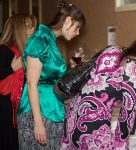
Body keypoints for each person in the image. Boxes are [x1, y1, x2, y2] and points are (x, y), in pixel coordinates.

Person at [60, 28, 136, 149]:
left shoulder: (112, 49)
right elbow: (125, 120)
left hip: (71, 120)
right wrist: (122, 146)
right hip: (91, 128)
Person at [16, 1, 86, 149]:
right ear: (68, 21)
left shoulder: (52, 41)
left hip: (53, 109)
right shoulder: (40, 40)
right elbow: (31, 83)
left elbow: (50, 78)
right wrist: (38, 122)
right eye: (77, 28)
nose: (78, 33)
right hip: (37, 111)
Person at [0, 14, 37, 150]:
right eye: (28, 26)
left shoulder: (28, 51)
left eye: (33, 26)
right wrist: (11, 68)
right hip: (5, 107)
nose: (33, 29)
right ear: (18, 29)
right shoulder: (4, 50)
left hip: (22, 105)